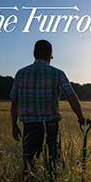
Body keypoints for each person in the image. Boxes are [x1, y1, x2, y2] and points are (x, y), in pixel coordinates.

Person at [10, 40, 85, 171]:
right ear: (50, 54)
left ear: (34, 54)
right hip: (51, 126)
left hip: (29, 127)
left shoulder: (20, 74)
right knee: (52, 162)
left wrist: (14, 125)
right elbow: (71, 97)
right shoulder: (57, 73)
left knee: (29, 163)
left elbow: (14, 102)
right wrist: (81, 118)